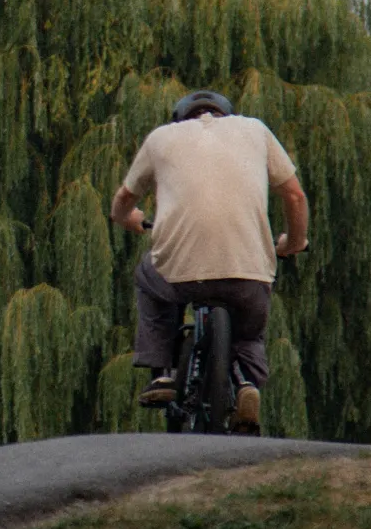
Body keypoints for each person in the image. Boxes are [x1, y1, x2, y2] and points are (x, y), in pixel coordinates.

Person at [108, 89, 309, 435]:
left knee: (147, 276)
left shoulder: (161, 138)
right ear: (227, 115)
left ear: (179, 118)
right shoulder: (256, 130)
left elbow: (124, 199)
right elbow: (294, 195)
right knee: (248, 334)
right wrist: (294, 242)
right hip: (248, 272)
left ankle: (162, 372)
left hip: (179, 273)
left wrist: (130, 219)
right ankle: (246, 384)